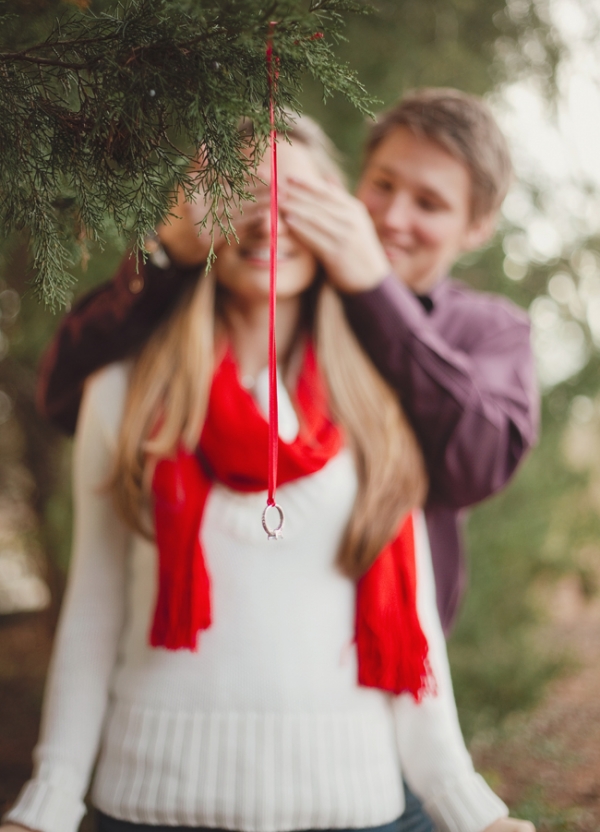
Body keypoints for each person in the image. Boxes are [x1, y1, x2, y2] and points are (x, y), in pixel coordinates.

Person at [2, 120, 533, 832]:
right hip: (148, 801)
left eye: (297, 198)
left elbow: (413, 635)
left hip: (362, 803)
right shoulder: (124, 388)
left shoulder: (384, 392)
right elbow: (93, 612)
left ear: (336, 222)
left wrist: (469, 806)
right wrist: (48, 800)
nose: (265, 216)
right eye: (236, 194)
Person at [35, 89, 538, 639]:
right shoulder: (277, 287)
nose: (393, 218)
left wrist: (376, 294)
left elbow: (478, 466)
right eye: (383, 185)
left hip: (380, 658)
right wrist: (169, 254)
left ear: (477, 227)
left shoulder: (489, 331)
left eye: (430, 204)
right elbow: (66, 397)